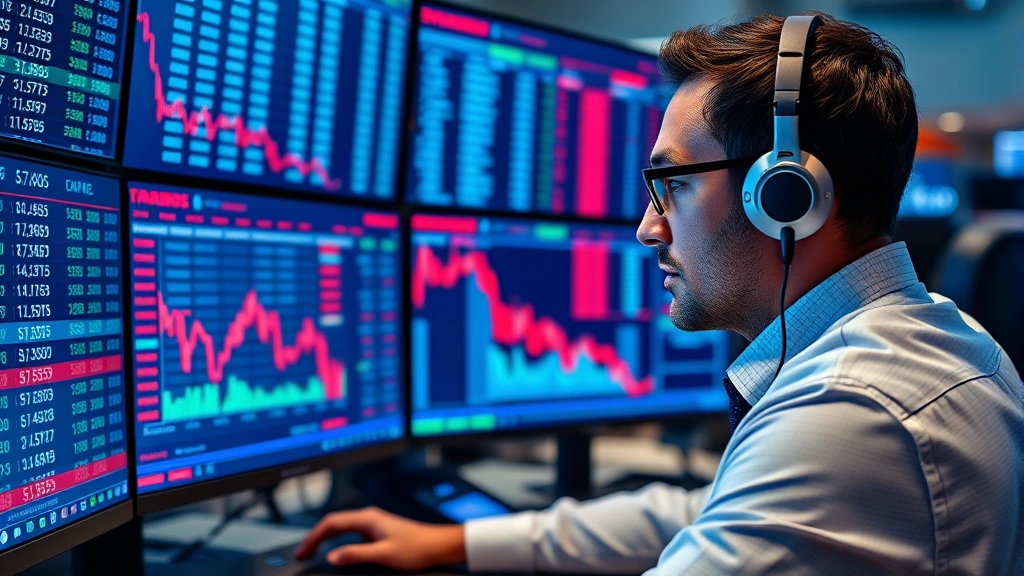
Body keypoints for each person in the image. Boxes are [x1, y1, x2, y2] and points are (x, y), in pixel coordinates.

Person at [295, 12, 1024, 575]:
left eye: (672, 185)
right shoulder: (932, 339)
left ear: (787, 194)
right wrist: (461, 541)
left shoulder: (851, 409)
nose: (648, 229)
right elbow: (706, 510)